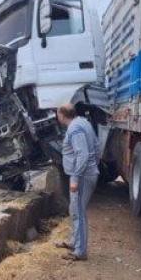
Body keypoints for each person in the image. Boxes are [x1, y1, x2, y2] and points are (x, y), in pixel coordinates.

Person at [55, 103, 100, 261]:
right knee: (74, 209)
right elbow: (96, 146)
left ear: (62, 115)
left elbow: (83, 155)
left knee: (78, 212)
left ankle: (80, 252)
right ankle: (74, 242)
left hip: (81, 177)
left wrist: (75, 179)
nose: (56, 116)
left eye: (57, 113)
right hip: (85, 174)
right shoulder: (83, 122)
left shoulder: (74, 129)